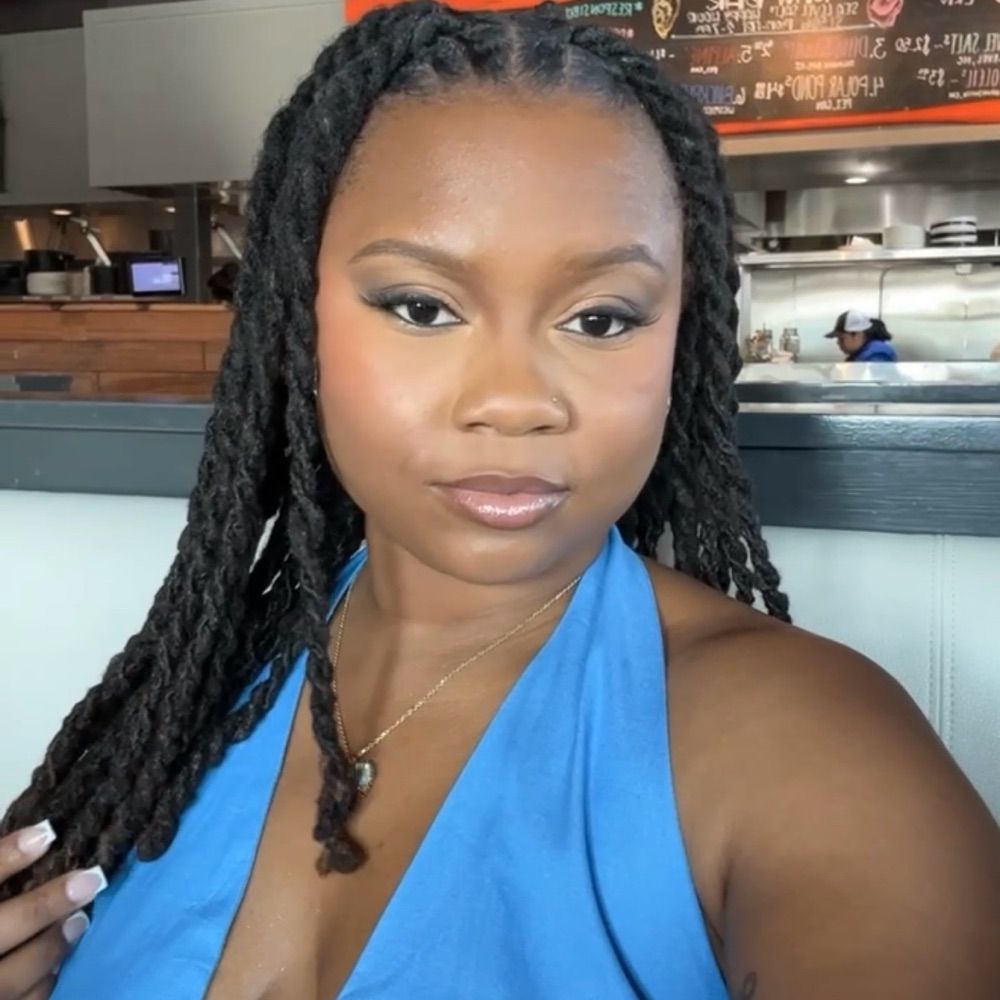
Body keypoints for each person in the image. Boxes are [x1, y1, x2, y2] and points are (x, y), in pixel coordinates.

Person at [1, 4, 998, 998]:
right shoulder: (193, 692)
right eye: (421, 306)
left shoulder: (807, 745)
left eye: (600, 318)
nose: (515, 402)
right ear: (296, 321)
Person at [826, 309, 899, 362]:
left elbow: (877, 379)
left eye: (842, 338)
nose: (838, 342)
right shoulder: (860, 353)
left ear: (857, 334)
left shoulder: (877, 354)